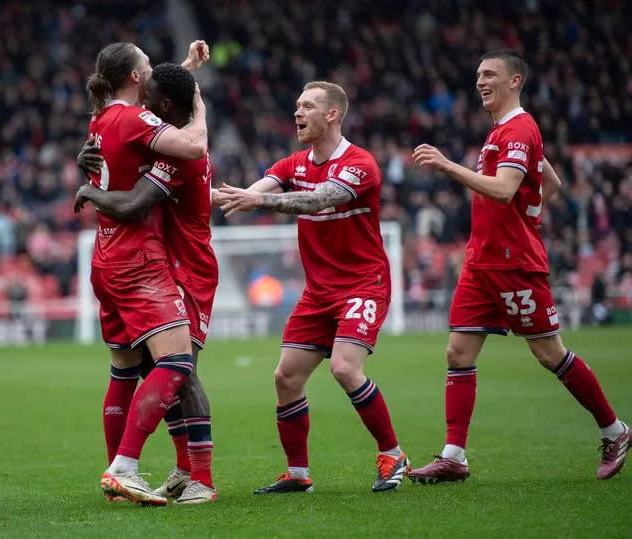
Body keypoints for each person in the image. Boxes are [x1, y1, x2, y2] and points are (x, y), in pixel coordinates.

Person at [407, 49, 629, 483]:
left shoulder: (519, 129)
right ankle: (454, 455)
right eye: (477, 75)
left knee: (549, 353)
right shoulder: (501, 133)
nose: (480, 82)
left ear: (515, 81)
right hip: (481, 262)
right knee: (458, 351)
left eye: (490, 74)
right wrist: (532, 210)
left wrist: (448, 165)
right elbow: (551, 182)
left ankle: (615, 430)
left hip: (514, 265)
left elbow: (507, 189)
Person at [217, 81, 410, 493]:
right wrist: (211, 195)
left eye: (307, 106)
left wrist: (260, 203)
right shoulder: (293, 163)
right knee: (286, 377)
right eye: (296, 106)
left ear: (332, 114)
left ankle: (393, 455)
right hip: (318, 292)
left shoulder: (359, 164)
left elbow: (318, 200)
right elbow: (249, 194)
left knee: (344, 367)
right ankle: (298, 474)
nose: (297, 113)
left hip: (363, 285)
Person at [75, 62, 218, 505]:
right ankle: (174, 470)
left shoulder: (176, 151)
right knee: (156, 369)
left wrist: (93, 190)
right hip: (153, 262)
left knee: (179, 372)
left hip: (186, 268)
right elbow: (149, 90)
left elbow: (136, 202)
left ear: (168, 106)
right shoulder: (158, 132)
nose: (145, 107)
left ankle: (198, 478)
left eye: (152, 102)